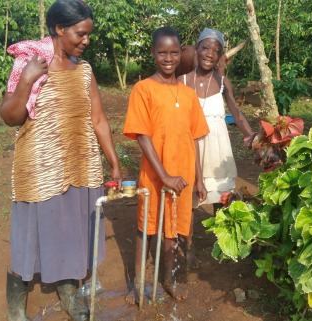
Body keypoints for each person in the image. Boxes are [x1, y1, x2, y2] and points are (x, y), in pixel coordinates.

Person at [0, 1, 122, 320]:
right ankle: (16, 308)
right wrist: (26, 81)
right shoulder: (31, 64)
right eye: (81, 34)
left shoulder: (84, 71)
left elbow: (98, 119)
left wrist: (114, 162)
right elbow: (10, 117)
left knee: (72, 230)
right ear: (59, 29)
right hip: (40, 168)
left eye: (88, 35)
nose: (86, 41)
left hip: (80, 164)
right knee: (29, 237)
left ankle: (67, 290)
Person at [123, 26, 209, 304]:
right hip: (155, 174)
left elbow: (194, 138)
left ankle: (169, 280)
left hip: (182, 175)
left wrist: (198, 179)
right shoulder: (143, 89)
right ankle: (138, 285)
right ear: (153, 53)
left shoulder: (188, 94)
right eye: (162, 52)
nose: (169, 58)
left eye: (174, 52)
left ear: (182, 53)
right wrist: (164, 175)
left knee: (172, 228)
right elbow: (143, 136)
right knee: (146, 228)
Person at [178, 28, 255, 268]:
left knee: (222, 196)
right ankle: (187, 245)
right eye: (206, 48)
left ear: (220, 55)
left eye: (216, 50)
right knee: (190, 199)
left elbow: (236, 113)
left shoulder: (222, 82)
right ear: (196, 49)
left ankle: (226, 242)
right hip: (191, 147)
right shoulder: (182, 82)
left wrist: (253, 137)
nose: (210, 54)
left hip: (217, 146)